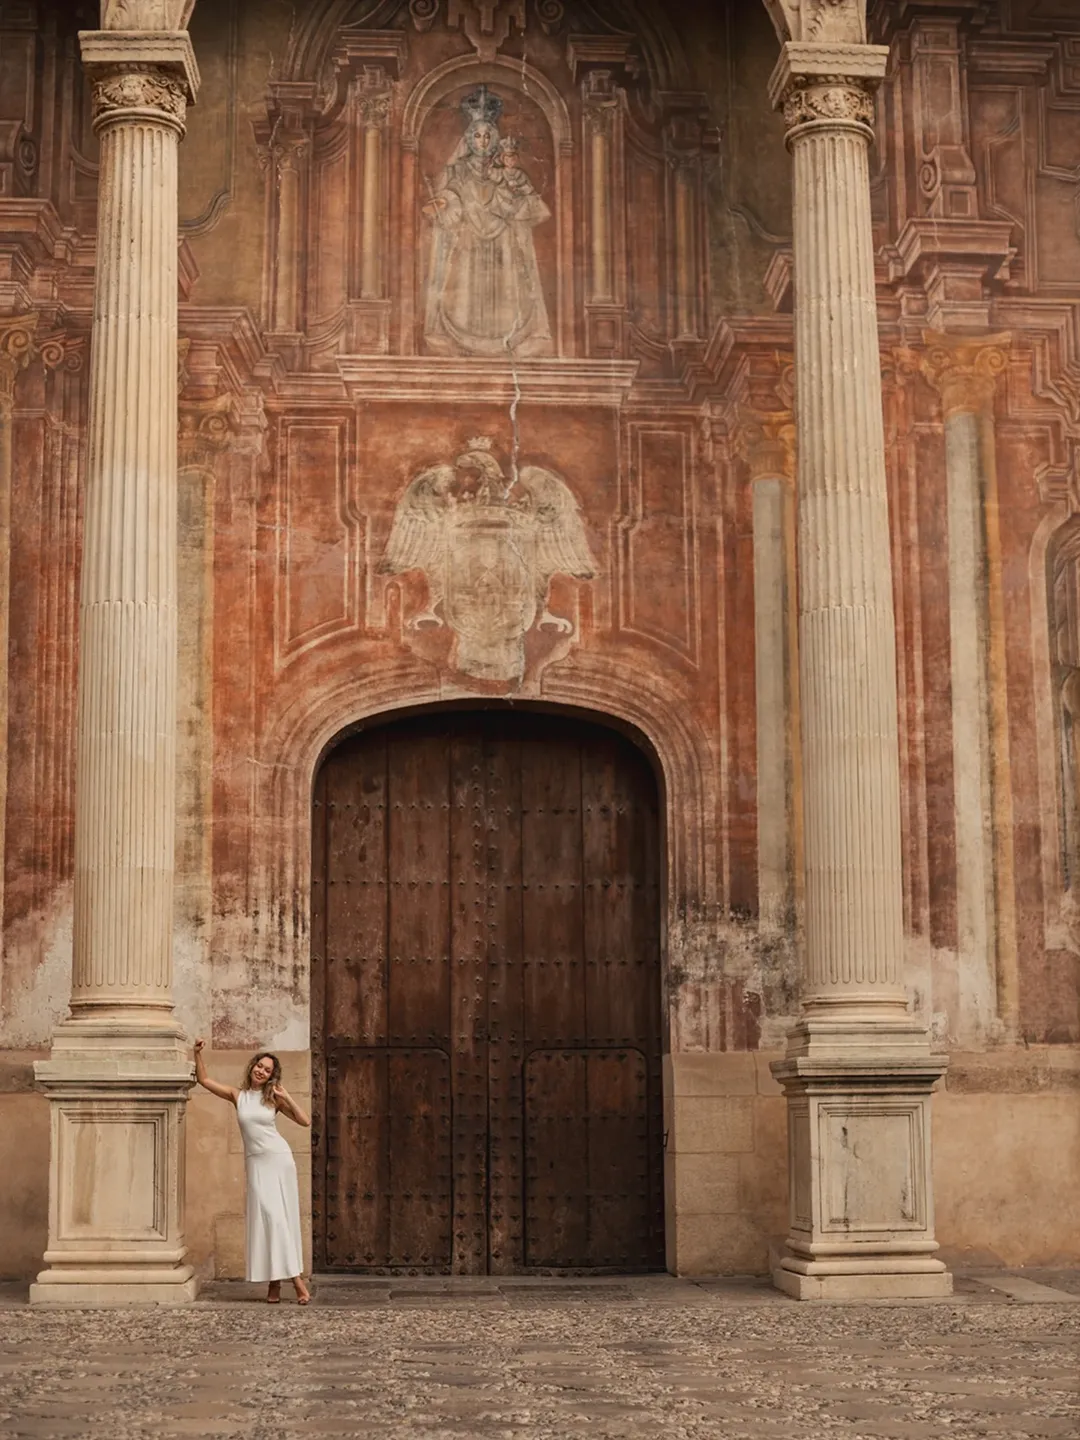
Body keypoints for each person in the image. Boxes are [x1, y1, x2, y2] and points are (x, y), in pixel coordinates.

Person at [422, 85, 552, 357]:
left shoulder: (509, 174)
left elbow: (535, 210)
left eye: (486, 136)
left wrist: (513, 193)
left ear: (494, 139)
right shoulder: (456, 169)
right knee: (464, 293)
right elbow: (451, 200)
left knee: (506, 289)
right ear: (469, 139)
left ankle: (509, 338)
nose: (482, 141)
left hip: (503, 245)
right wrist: (443, 204)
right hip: (467, 245)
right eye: (477, 136)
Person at [193, 1039, 311, 1305]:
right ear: (252, 1067)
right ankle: (274, 1285)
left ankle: (295, 1282)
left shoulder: (273, 1100)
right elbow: (204, 1080)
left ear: (272, 1076)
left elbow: (305, 1121)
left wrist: (287, 1096)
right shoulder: (238, 1096)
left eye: (267, 1070)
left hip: (279, 1159)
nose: (261, 1071)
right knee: (268, 1219)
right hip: (257, 1164)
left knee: (280, 1220)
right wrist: (197, 1053)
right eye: (259, 1066)